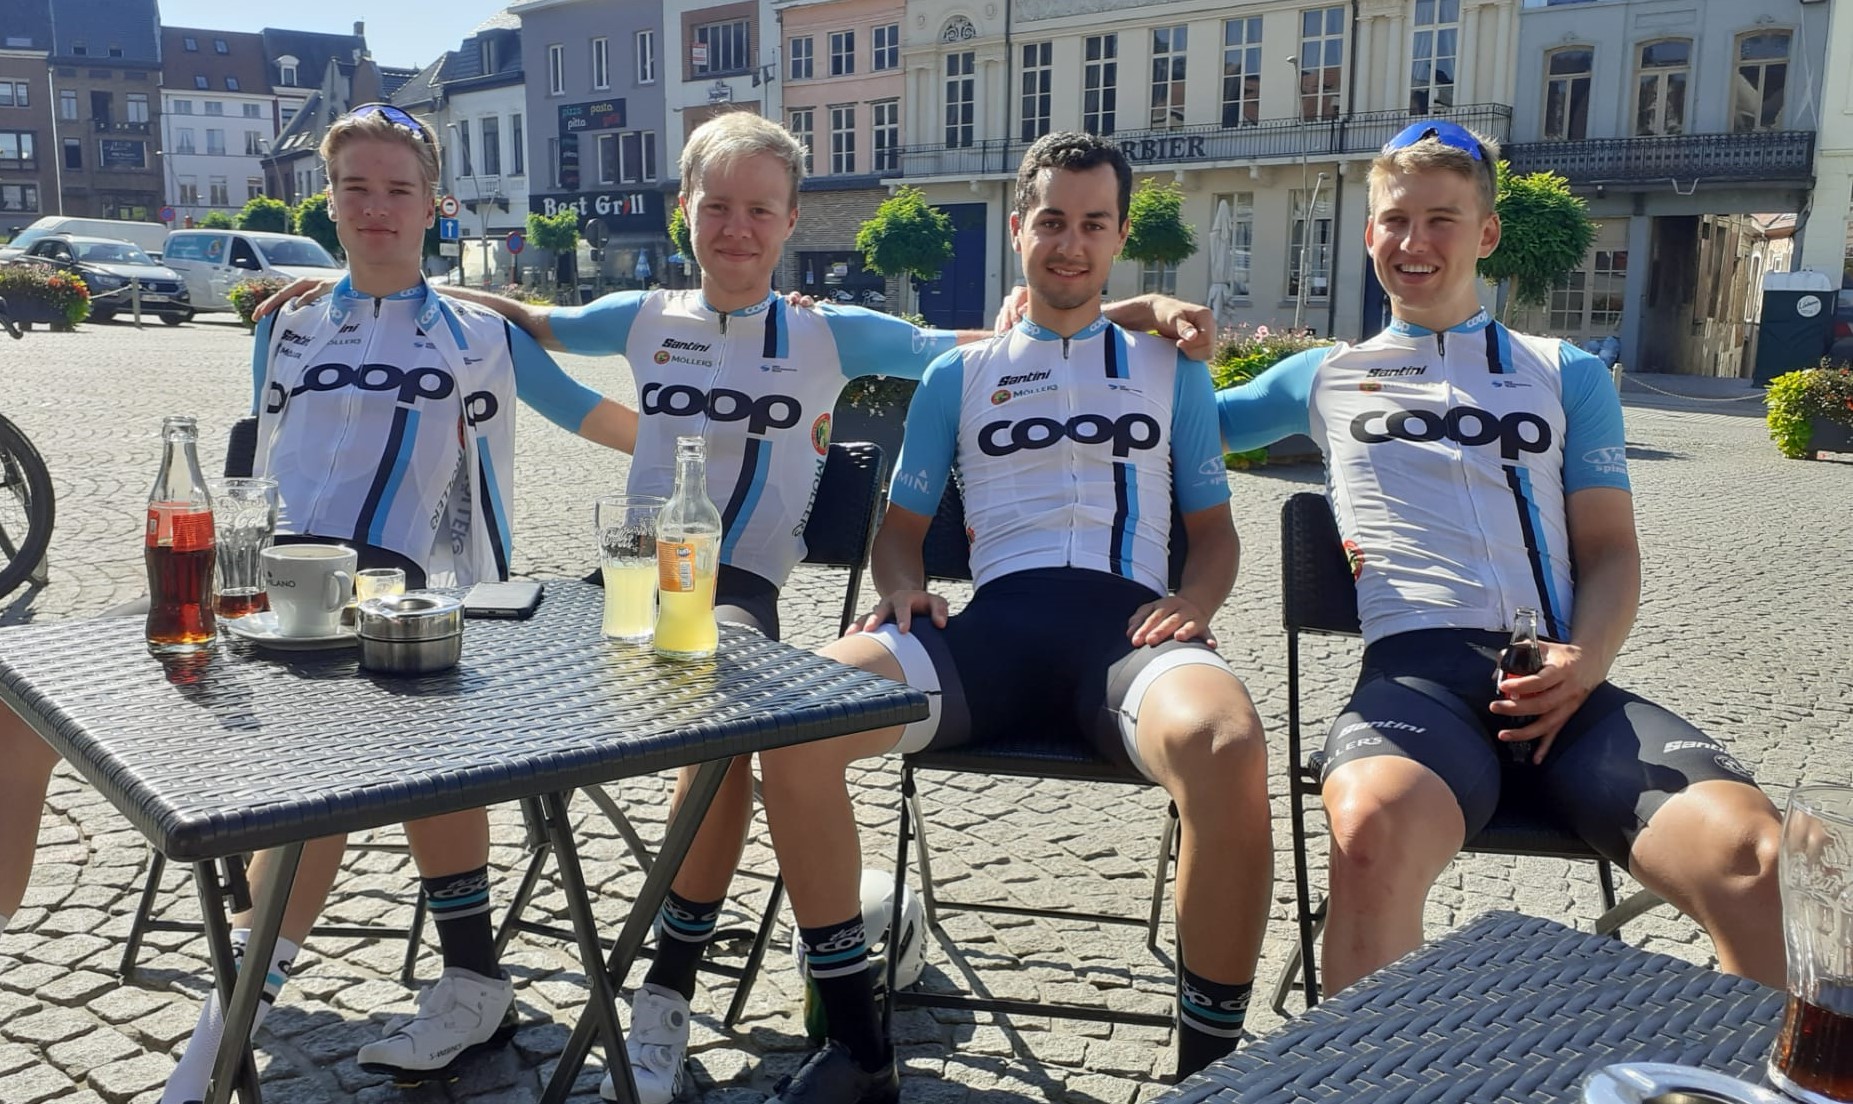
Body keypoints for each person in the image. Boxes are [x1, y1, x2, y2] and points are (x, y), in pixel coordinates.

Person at [257, 109, 1215, 1104]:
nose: (736, 228)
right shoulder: (642, 315)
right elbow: (521, 321)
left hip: (734, 592)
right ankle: (469, 975)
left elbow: (1001, 339)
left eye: (760, 210)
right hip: (621, 581)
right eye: (716, 207)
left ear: (792, 220)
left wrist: (1141, 308)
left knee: (721, 734)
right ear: (685, 211)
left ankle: (664, 994)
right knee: (445, 676)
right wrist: (349, 284)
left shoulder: (826, 329)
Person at [58, 102, 633, 1102]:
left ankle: (230, 1031)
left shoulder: (481, 337)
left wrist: (744, 444)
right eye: (354, 188)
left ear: (434, 205)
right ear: (326, 200)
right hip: (266, 599)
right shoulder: (286, 321)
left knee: (332, 762)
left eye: (397, 189)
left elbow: (600, 418)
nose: (375, 208)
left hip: (410, 601)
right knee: (50, 715)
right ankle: (463, 978)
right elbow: (264, 460)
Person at [751, 130, 1273, 1103]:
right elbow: (899, 530)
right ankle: (857, 1048)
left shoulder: (1172, 370)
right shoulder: (960, 373)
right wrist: (899, 584)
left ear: (1119, 236)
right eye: (1051, 222)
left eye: (1092, 224)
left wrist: (1195, 602)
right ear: (1019, 229)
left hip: (1126, 640)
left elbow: (1214, 534)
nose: (1069, 244)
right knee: (793, 719)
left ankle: (1208, 1082)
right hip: (989, 637)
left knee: (1228, 743)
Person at [1214, 119, 1784, 997]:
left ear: (1484, 234)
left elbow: (1610, 551)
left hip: (1566, 684)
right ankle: (1364, 1068)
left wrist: (1585, 665)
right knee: (1367, 831)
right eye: (1395, 220)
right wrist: (1133, 323)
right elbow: (1178, 420)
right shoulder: (1324, 374)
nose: (1414, 242)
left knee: (1758, 856)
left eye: (1440, 220)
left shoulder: (1564, 371)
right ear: (1368, 234)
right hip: (1417, 683)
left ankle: (1766, 1069)